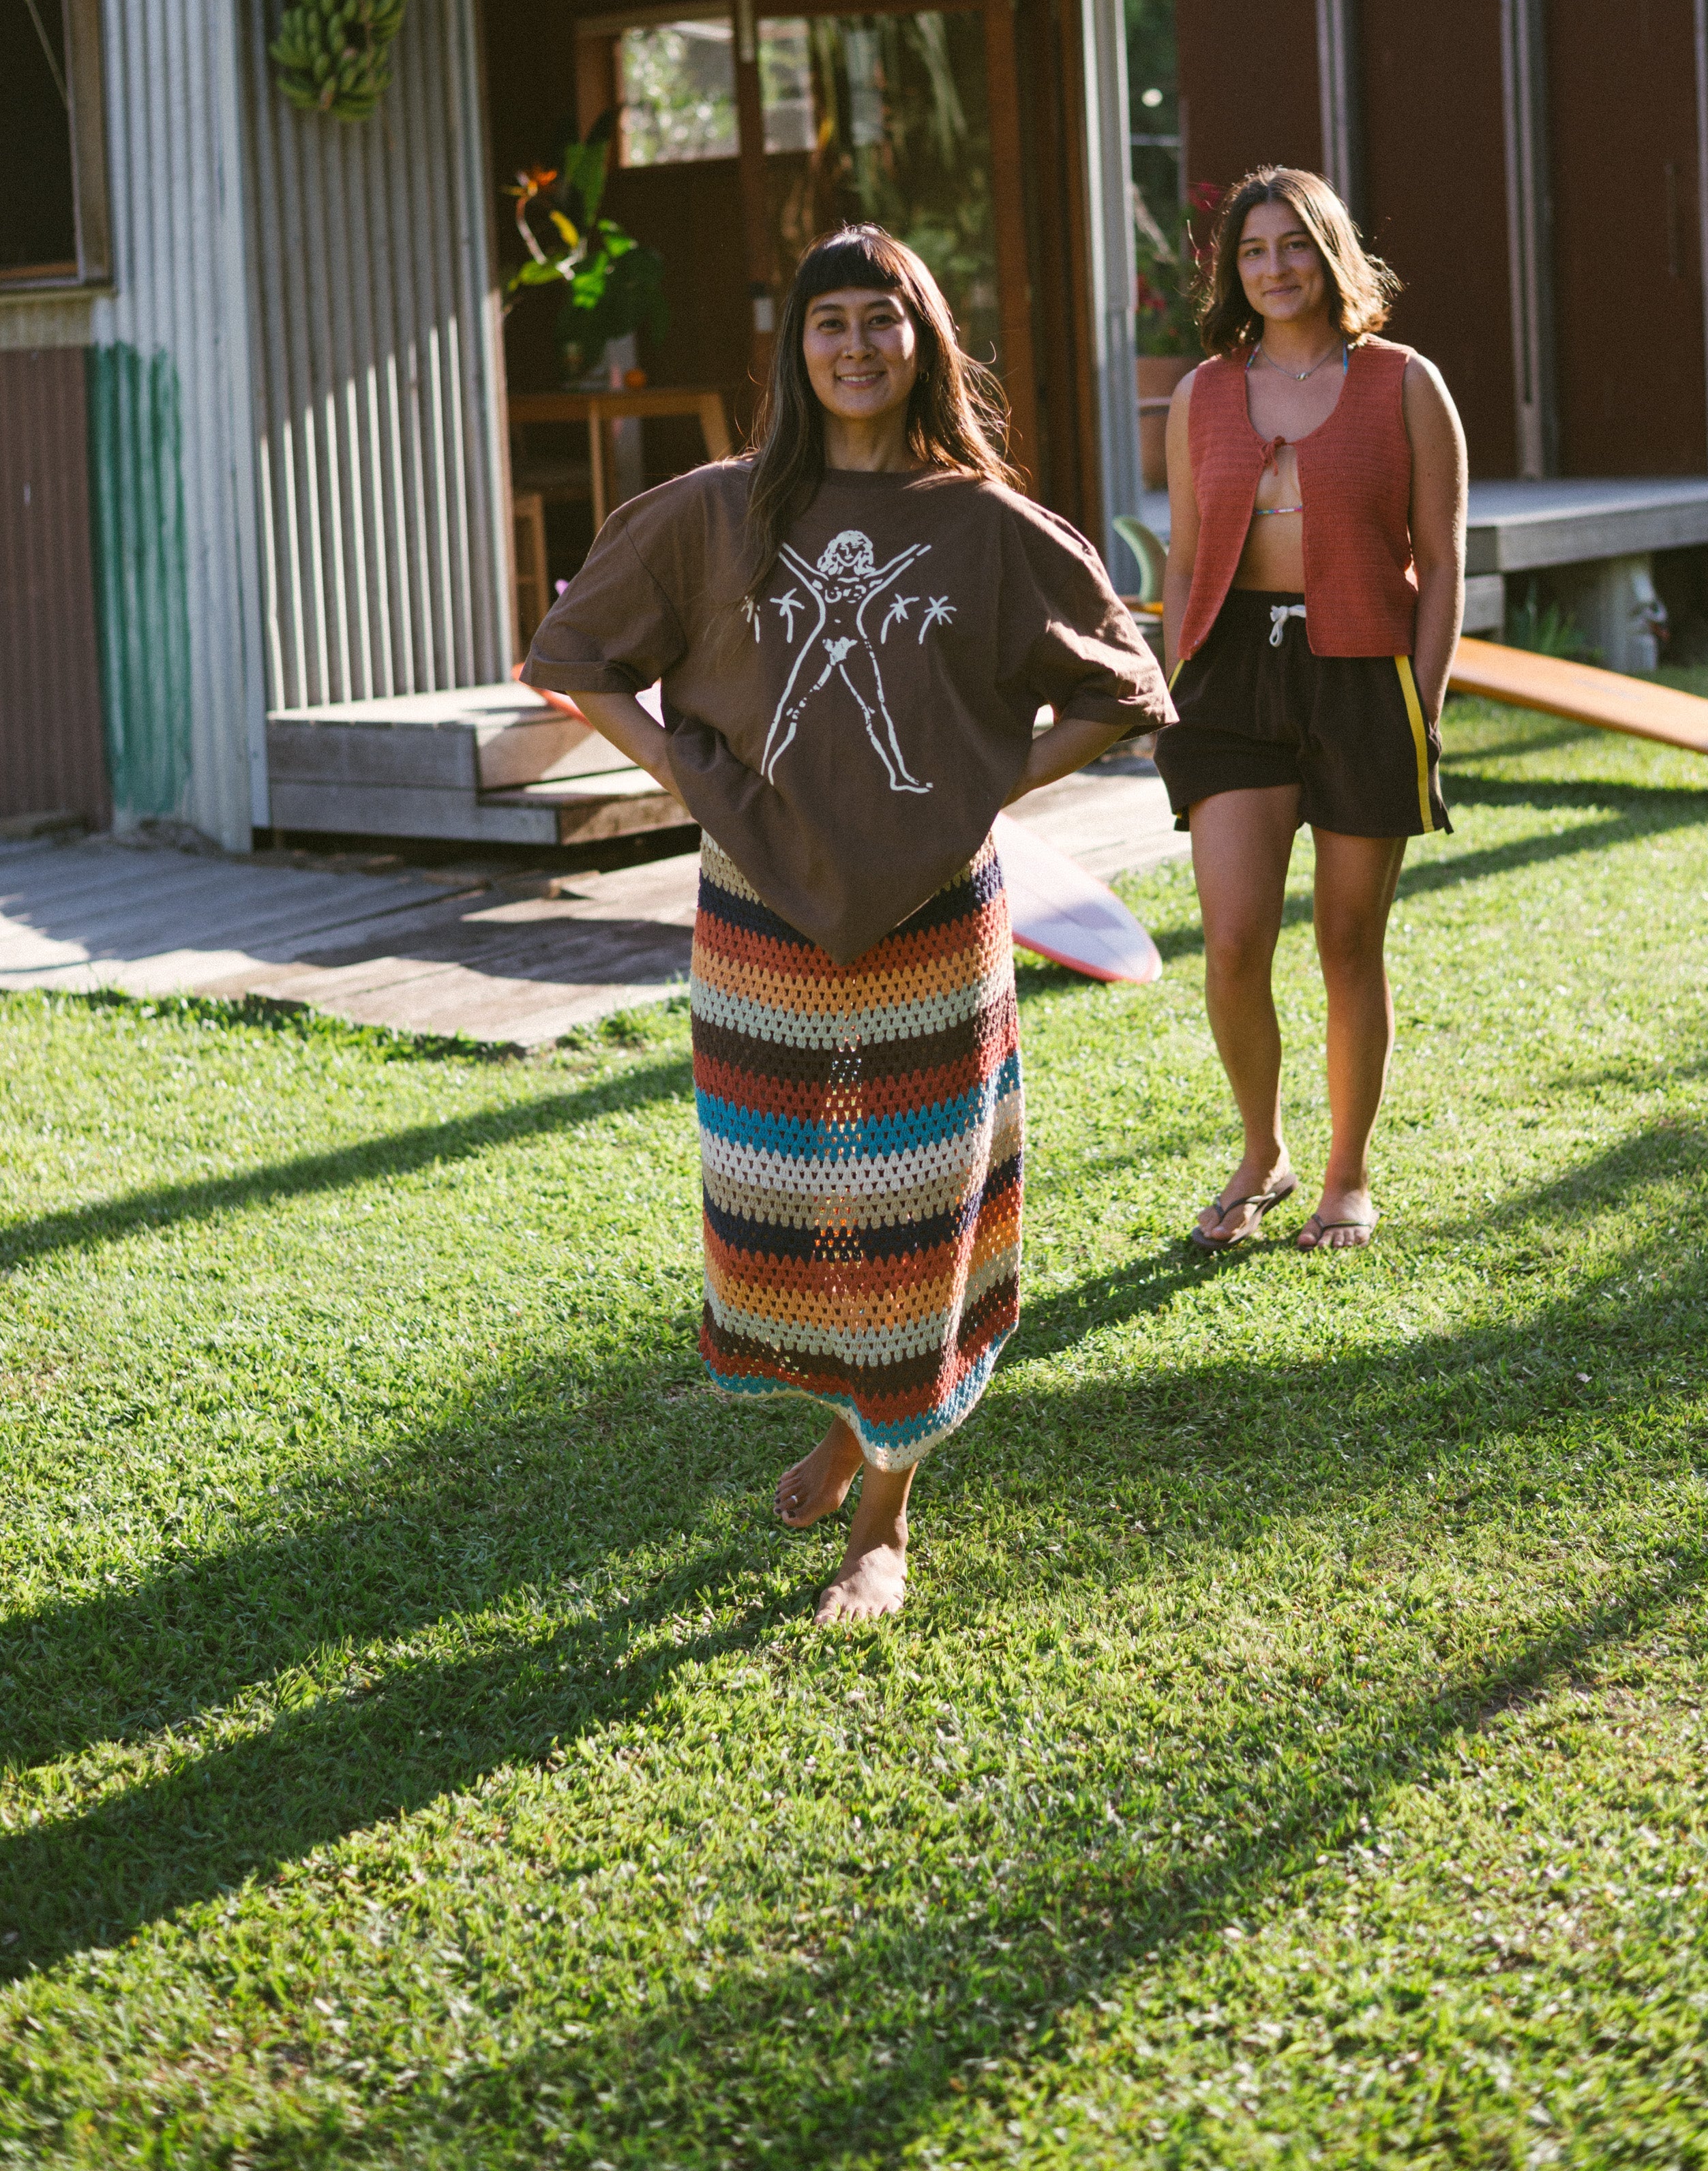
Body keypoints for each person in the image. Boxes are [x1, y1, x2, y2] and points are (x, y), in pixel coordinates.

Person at [524, 226, 1172, 1623]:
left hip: (936, 917)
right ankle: (852, 1413)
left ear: (923, 339)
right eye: (830, 323)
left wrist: (980, 789)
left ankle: (884, 1518)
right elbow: (576, 656)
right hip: (759, 915)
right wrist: (689, 772)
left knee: (915, 1209)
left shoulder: (984, 523)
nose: (858, 346)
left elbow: (1123, 687)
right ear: (795, 348)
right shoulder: (714, 512)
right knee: (783, 1203)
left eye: (885, 320)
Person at [1156, 166, 1467, 1255]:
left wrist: (1418, 713)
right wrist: (1170, 686)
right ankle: (1261, 1155)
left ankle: (1346, 1173)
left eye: (1293, 245)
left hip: (1361, 671)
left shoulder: (1405, 382)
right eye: (1251, 251)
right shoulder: (1202, 390)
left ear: (1330, 252)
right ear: (1230, 270)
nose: (1273, 267)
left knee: (1346, 941)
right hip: (1231, 675)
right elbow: (1186, 555)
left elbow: (1442, 558)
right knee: (1234, 942)